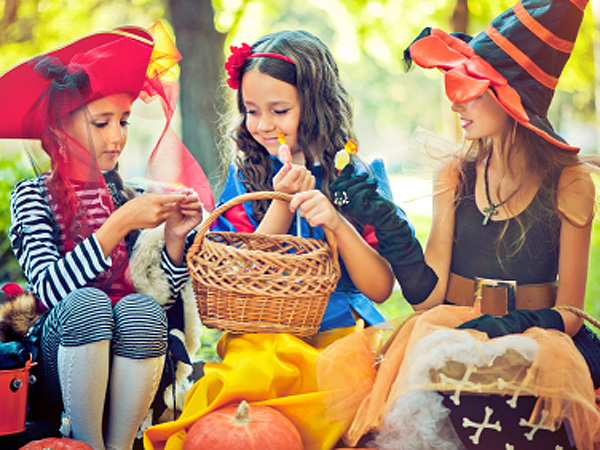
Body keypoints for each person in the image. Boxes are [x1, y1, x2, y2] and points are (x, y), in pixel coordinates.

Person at [317, 0, 600, 448]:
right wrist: (387, 222)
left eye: (471, 89)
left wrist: (504, 329)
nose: (455, 104)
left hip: (540, 337)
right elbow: (428, 298)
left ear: (512, 99)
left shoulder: (570, 182)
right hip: (449, 331)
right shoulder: (454, 174)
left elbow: (571, 311)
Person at [145, 29, 436, 450]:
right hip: (263, 336)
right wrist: (281, 203)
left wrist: (336, 222)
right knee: (249, 392)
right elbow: (241, 278)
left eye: (279, 111)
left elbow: (379, 288)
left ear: (317, 106)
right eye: (252, 111)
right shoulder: (246, 179)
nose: (264, 125)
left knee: (342, 400)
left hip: (341, 335)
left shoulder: (358, 178)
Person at [2, 23, 210, 449]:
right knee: (89, 304)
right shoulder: (33, 196)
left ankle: (120, 444)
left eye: (124, 121)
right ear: (59, 129)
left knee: (141, 308)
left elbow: (163, 299)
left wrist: (173, 240)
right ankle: (84, 443)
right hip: (61, 359)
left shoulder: (129, 195)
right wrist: (119, 225)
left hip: (133, 359)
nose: (117, 137)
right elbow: (49, 290)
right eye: (101, 123)